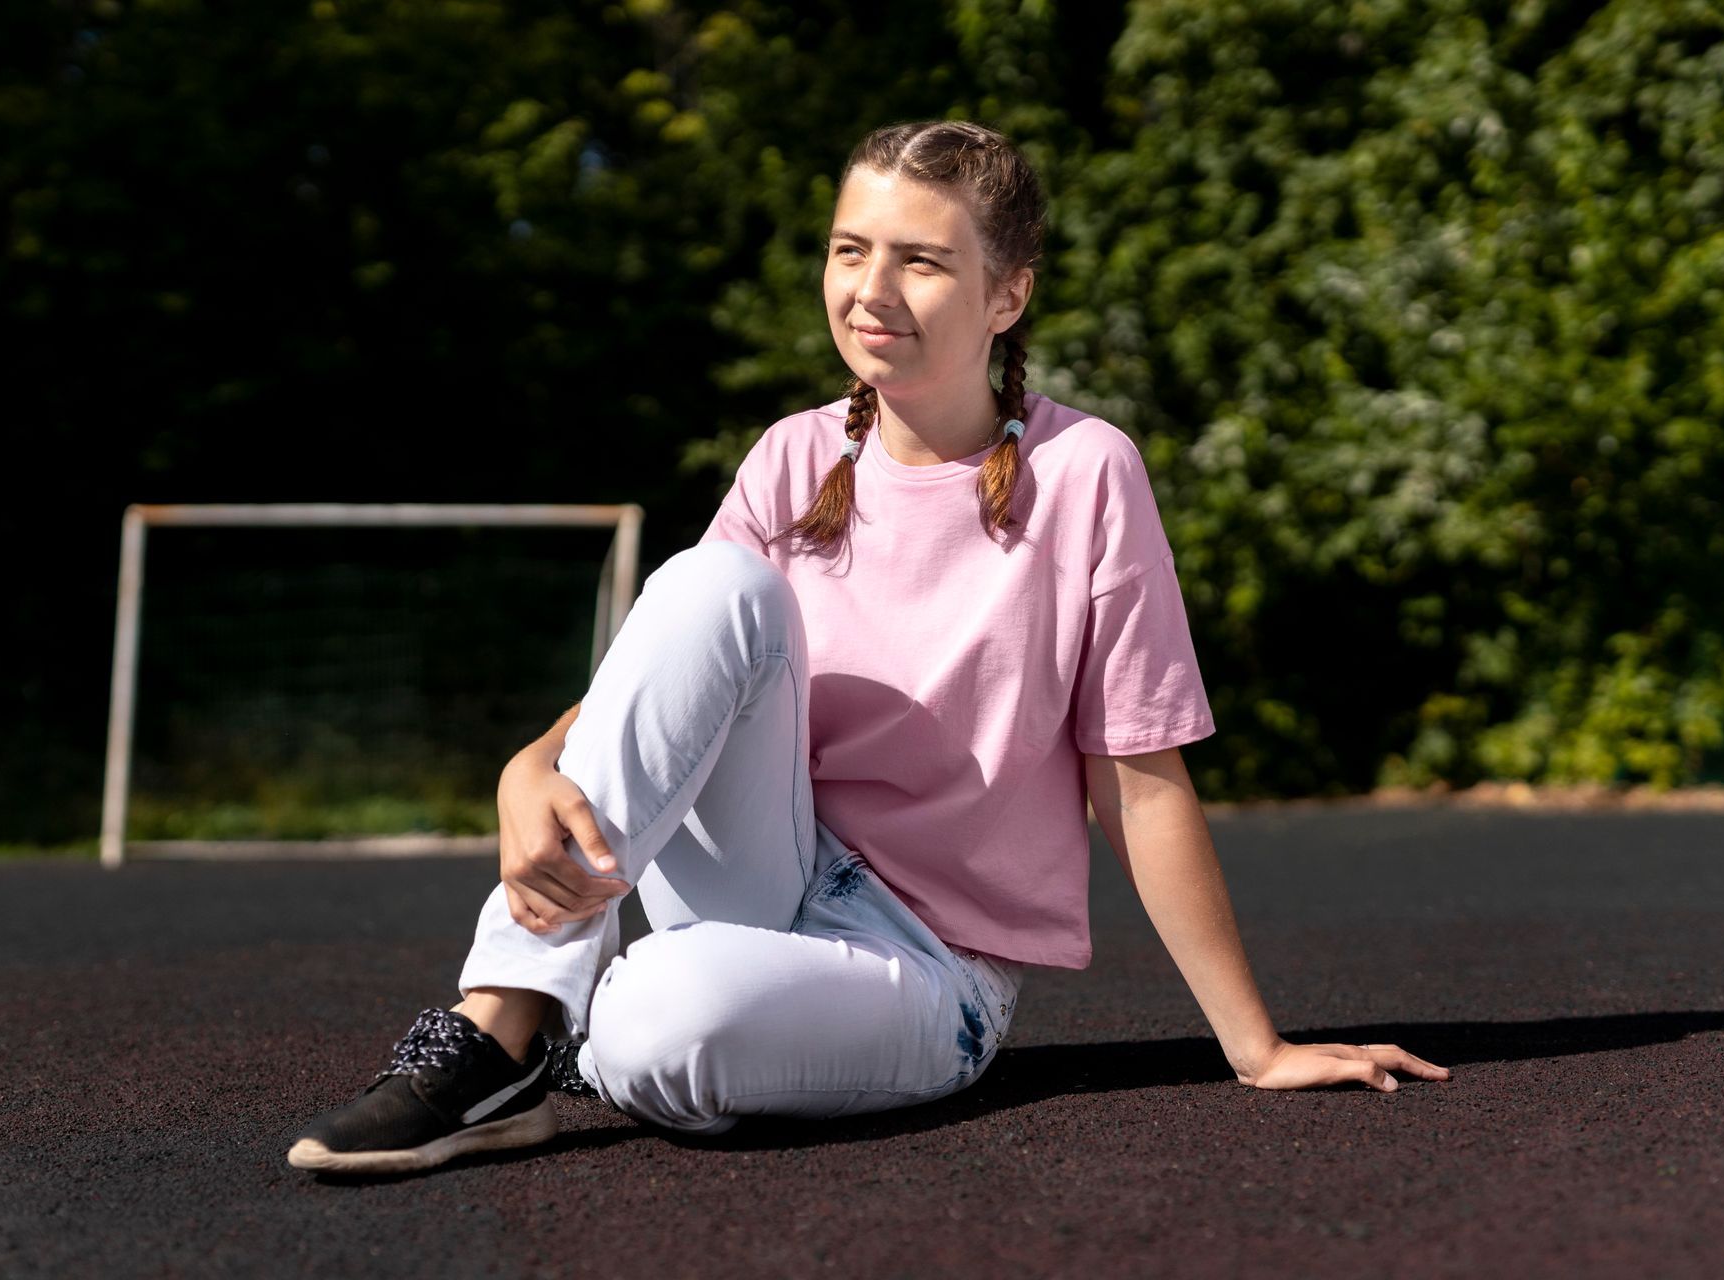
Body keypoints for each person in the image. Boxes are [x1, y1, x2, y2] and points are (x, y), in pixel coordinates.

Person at [287, 120, 1450, 1175]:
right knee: (710, 579)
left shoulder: (1089, 472)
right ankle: (498, 1030)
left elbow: (1136, 778)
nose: (870, 290)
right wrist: (530, 760)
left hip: (928, 968)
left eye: (921, 260)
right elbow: (668, 666)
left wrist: (1256, 1046)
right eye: (851, 250)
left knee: (654, 1022)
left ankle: (593, 1028)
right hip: (767, 868)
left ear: (1009, 295)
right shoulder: (794, 455)